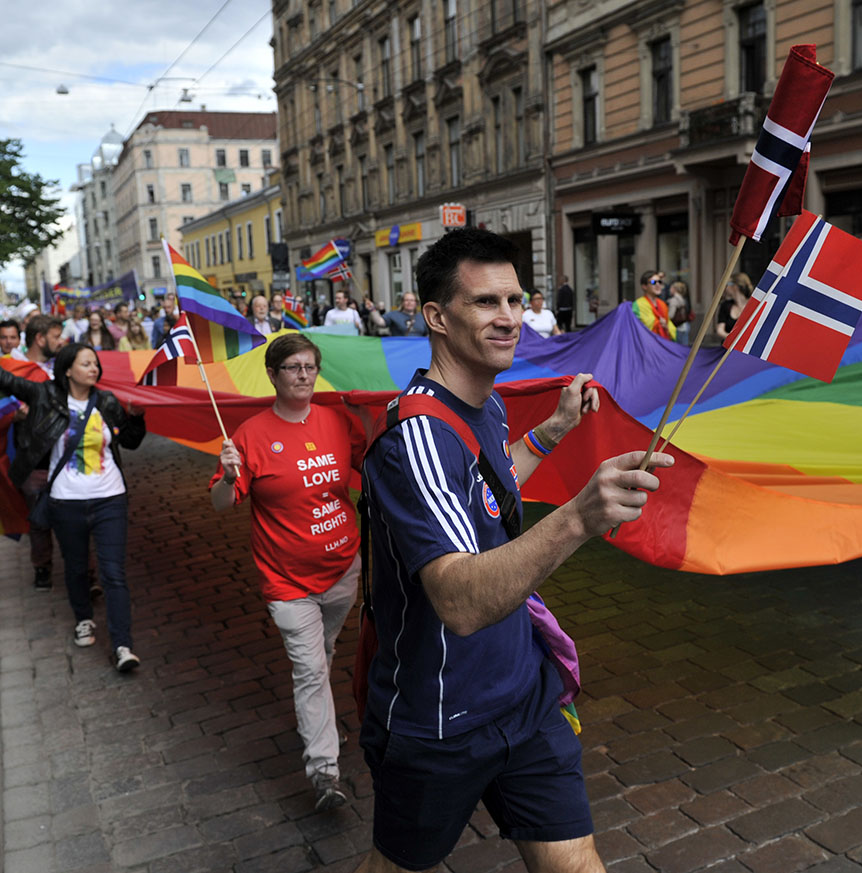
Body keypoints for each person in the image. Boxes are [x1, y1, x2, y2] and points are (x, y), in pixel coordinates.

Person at [356, 227, 673, 873]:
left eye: (515, 299)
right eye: (486, 303)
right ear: (437, 317)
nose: (509, 318)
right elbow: (460, 601)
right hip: (441, 720)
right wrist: (579, 516)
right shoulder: (415, 438)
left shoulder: (487, 407)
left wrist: (552, 431)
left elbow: (489, 487)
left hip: (525, 695)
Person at [209, 333, 364, 812]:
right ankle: (325, 774)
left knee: (325, 651)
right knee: (311, 669)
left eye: (309, 366)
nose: (303, 374)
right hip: (287, 582)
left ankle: (318, 712)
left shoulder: (338, 422)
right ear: (273, 375)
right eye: (292, 367)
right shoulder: (250, 436)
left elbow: (376, 465)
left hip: (343, 569)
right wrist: (231, 476)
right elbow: (221, 502)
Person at [0, 329, 147, 671]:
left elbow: (132, 442)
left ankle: (123, 645)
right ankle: (83, 618)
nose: (94, 368)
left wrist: (137, 419)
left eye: (95, 363)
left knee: (113, 574)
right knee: (76, 568)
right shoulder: (44, 395)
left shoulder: (107, 401)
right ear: (67, 370)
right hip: (66, 501)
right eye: (86, 363)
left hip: (110, 499)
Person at [13, 314, 66, 590]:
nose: (61, 342)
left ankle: (84, 572)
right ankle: (42, 566)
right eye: (56, 337)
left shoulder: (62, 366)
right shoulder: (17, 369)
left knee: (74, 517)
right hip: (35, 457)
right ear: (40, 338)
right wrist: (16, 416)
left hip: (66, 456)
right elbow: (2, 409)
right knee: (38, 519)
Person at [632, 270, 676, 340]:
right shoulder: (638, 304)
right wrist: (660, 323)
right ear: (644, 286)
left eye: (660, 282)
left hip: (664, 344)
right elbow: (641, 328)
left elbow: (670, 326)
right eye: (653, 282)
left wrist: (666, 326)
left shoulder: (662, 304)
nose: (658, 284)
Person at [715, 272, 752, 340]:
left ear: (736, 286)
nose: (725, 288)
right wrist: (733, 339)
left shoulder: (753, 306)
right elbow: (720, 330)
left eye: (727, 284)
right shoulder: (725, 305)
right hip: (728, 346)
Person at [667, 280, 692, 347]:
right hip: (685, 325)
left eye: (671, 288)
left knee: (678, 348)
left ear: (675, 289)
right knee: (684, 347)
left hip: (677, 326)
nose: (669, 290)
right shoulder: (684, 299)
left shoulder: (674, 300)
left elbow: (671, 315)